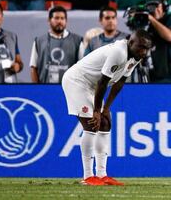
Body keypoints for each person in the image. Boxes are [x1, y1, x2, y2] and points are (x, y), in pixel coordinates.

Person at [61, 29, 153, 185]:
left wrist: (106, 109)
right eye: (141, 47)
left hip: (92, 86)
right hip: (77, 81)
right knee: (92, 125)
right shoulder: (119, 52)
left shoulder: (136, 55)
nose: (144, 52)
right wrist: (96, 111)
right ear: (131, 42)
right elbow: (103, 82)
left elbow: (120, 82)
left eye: (146, 49)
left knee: (105, 123)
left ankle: (102, 175)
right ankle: (88, 176)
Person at [30, 6, 84, 84]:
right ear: (49, 20)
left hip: (69, 89)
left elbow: (82, 68)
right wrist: (36, 89)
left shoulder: (77, 40)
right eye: (56, 18)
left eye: (62, 18)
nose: (59, 21)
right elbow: (33, 67)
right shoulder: (39, 41)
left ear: (66, 21)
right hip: (44, 89)